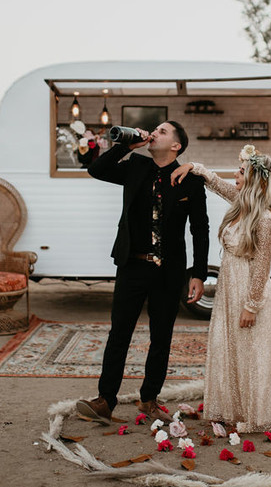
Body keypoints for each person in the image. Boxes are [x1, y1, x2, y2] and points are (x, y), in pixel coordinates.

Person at [77, 121, 209, 425]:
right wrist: (125, 146)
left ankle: (149, 399)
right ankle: (105, 401)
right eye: (155, 130)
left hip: (169, 271)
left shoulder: (191, 181)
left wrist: (199, 274)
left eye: (162, 131)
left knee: (161, 337)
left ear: (176, 145)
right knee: (119, 334)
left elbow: (200, 230)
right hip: (132, 265)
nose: (154, 133)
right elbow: (96, 170)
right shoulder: (136, 166)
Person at [171, 144, 271, 432]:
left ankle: (254, 413)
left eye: (242, 171)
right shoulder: (242, 203)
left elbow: (262, 266)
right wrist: (194, 167)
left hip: (248, 289)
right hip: (228, 286)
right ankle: (232, 407)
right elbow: (217, 184)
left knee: (250, 351)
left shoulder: (265, 219)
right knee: (228, 346)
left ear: (255, 180)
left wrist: (252, 305)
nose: (236, 174)